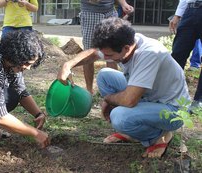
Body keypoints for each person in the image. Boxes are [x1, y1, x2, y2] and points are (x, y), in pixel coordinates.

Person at [57, 17, 190, 158]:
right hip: (149, 95)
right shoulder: (125, 41)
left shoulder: (149, 53)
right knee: (104, 76)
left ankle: (159, 136)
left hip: (173, 110)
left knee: (119, 117)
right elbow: (94, 53)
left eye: (109, 55)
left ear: (126, 48)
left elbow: (129, 100)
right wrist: (68, 65)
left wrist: (108, 99)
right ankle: (132, 131)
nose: (105, 57)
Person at [80, 0, 134, 94]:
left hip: (110, 12)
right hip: (91, 14)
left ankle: (114, 89)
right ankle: (89, 91)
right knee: (89, 52)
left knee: (113, 50)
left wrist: (124, 4)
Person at [169, 0, 202, 111]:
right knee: (177, 55)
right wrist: (177, 15)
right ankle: (170, 96)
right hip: (190, 10)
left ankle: (199, 101)